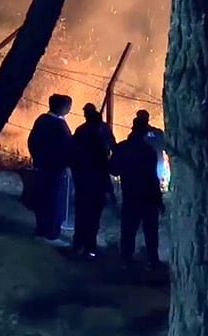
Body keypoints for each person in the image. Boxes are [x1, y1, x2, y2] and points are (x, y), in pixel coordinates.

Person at [111, 117, 164, 269]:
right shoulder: (149, 150)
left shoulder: (122, 147)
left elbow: (113, 169)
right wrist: (159, 200)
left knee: (128, 228)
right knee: (151, 230)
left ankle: (126, 258)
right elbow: (152, 177)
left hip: (130, 194)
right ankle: (152, 260)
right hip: (148, 196)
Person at [70, 103, 116, 257]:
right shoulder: (101, 136)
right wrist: (109, 189)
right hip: (96, 186)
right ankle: (89, 246)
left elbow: (73, 154)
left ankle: (78, 244)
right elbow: (106, 163)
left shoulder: (81, 131)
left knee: (82, 214)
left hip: (83, 183)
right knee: (93, 217)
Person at [27, 93, 73, 245]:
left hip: (44, 166)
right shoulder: (58, 126)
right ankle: (51, 234)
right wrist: (67, 163)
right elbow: (66, 148)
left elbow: (32, 141)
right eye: (68, 106)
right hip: (55, 168)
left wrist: (37, 159)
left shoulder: (42, 120)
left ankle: (42, 230)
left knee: (43, 198)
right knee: (54, 200)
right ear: (62, 107)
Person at [134, 109, 167, 189]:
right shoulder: (136, 134)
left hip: (154, 162)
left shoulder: (156, 132)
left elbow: (163, 145)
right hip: (144, 165)